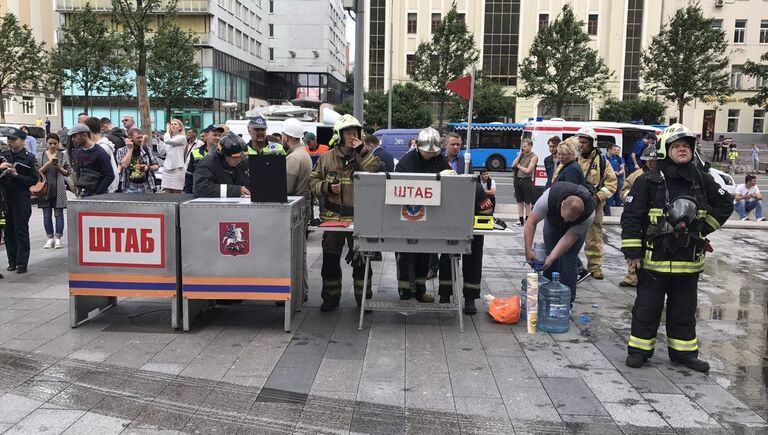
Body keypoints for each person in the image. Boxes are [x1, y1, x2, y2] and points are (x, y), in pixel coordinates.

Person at [621, 123, 733, 372]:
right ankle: (639, 350)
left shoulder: (702, 179)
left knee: (683, 310)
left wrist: (703, 230)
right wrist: (633, 252)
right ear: (665, 150)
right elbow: (631, 218)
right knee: (647, 308)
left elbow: (725, 204)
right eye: (677, 146)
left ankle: (684, 354)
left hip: (688, 260)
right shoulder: (648, 181)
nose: (683, 150)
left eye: (686, 146)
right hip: (654, 260)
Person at [310, 114, 381, 312]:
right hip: (333, 218)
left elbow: (376, 170)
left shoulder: (364, 156)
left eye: (355, 133)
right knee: (331, 260)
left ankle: (363, 300)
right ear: (339, 136)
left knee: (361, 260)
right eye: (348, 133)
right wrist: (325, 187)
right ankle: (330, 298)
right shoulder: (326, 158)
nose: (352, 137)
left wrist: (362, 151)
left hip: (359, 218)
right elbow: (312, 182)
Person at [394, 127, 450, 303]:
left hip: (429, 215)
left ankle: (420, 290)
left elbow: (449, 180)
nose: (429, 156)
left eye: (432, 153)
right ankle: (405, 292)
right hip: (407, 215)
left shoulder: (439, 159)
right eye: (426, 152)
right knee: (404, 255)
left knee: (424, 253)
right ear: (418, 146)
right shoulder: (406, 162)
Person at [524, 182, 596, 304]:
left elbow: (569, 237)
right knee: (549, 259)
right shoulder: (548, 198)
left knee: (568, 260)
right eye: (564, 217)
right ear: (562, 205)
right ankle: (545, 297)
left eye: (569, 220)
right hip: (553, 222)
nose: (565, 221)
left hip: (575, 230)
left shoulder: (588, 215)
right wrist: (528, 251)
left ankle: (567, 302)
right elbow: (531, 222)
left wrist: (552, 257)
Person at [437, 173, 494, 314]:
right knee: (446, 261)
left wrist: (474, 222)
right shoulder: (439, 189)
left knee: (471, 263)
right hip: (450, 230)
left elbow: (487, 209)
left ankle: (470, 298)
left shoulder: (475, 187)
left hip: (471, 231)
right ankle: (446, 294)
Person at [575, 127, 617, 280]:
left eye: (584, 142)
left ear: (593, 143)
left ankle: (595, 267)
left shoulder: (602, 161)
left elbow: (612, 184)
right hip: (575, 205)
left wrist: (598, 197)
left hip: (594, 205)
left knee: (594, 237)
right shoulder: (573, 158)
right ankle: (572, 265)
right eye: (579, 142)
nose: (581, 145)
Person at [619, 145, 660, 288]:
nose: (650, 163)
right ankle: (632, 277)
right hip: (637, 214)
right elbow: (624, 189)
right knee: (634, 245)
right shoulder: (637, 176)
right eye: (647, 160)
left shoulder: (663, 176)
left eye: (653, 160)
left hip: (653, 218)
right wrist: (631, 198)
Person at [0, 128, 39, 274]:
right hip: (5, 198)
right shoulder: (4, 155)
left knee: (21, 230)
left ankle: (22, 263)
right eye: (8, 139)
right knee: (7, 230)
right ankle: (12, 261)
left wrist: (16, 176)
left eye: (13, 139)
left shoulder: (29, 157)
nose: (10, 142)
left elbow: (34, 179)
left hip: (21, 197)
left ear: (22, 141)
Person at [283, 118, 313, 303]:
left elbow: (286, 187)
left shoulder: (294, 158)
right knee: (300, 251)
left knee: (297, 253)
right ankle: (301, 290)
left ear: (286, 137)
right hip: (304, 205)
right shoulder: (304, 153)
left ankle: (300, 292)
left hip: (296, 207)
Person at [37, 133, 71, 249]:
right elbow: (37, 171)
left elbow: (68, 172)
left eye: (55, 143)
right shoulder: (41, 155)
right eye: (50, 143)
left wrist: (59, 166)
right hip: (45, 188)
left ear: (58, 144)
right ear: (46, 143)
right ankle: (49, 237)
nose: (52, 146)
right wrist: (47, 164)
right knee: (46, 215)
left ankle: (58, 238)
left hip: (59, 188)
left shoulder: (63, 155)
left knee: (59, 215)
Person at [193, 132, 250, 198]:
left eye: (241, 157)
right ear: (222, 155)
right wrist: (236, 190)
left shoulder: (242, 163)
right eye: (234, 157)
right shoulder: (207, 164)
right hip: (215, 206)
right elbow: (201, 188)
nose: (238, 160)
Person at [71, 123, 114, 197]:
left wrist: (97, 193)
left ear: (84, 135)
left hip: (99, 196)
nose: (73, 139)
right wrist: (79, 188)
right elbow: (78, 172)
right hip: (84, 193)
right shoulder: (79, 152)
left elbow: (109, 175)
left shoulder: (100, 152)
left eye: (75, 136)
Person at [116, 129, 160, 193]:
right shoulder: (122, 151)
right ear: (130, 138)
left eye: (141, 137)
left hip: (146, 186)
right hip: (129, 187)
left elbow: (157, 166)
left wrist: (148, 167)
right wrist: (130, 149)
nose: (140, 140)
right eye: (138, 138)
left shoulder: (146, 149)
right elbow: (124, 165)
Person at [184, 124, 223, 193]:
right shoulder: (195, 152)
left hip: (217, 192)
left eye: (219, 135)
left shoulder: (224, 154)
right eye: (215, 135)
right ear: (206, 136)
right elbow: (189, 175)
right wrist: (187, 193)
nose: (218, 138)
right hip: (199, 192)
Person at [85, 117, 119, 193]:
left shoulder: (102, 147)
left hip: (105, 189)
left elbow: (108, 174)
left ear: (88, 131)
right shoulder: (104, 145)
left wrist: (97, 191)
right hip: (106, 188)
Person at [511, 138, 538, 226]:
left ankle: (527, 218)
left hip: (526, 180)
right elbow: (513, 164)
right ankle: (520, 219)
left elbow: (528, 170)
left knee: (527, 202)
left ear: (530, 146)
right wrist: (519, 155)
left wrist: (519, 166)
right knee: (519, 201)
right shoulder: (521, 155)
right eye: (522, 146)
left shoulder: (533, 157)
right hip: (518, 179)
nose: (523, 148)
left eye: (525, 146)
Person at [161, 119, 187, 193]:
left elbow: (168, 141)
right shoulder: (169, 137)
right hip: (167, 168)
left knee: (177, 193)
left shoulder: (182, 137)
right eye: (171, 124)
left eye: (175, 124)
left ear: (180, 127)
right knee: (167, 193)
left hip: (177, 168)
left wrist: (167, 131)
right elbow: (162, 151)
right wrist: (159, 141)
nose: (172, 125)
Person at [606, 143, 626, 212]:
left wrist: (618, 173)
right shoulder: (604, 158)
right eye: (614, 149)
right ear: (609, 150)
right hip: (608, 179)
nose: (616, 151)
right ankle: (608, 212)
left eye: (616, 150)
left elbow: (622, 169)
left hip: (617, 178)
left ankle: (619, 209)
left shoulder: (618, 158)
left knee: (620, 193)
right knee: (609, 196)